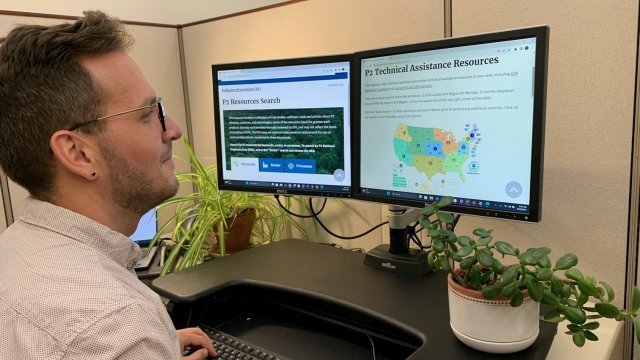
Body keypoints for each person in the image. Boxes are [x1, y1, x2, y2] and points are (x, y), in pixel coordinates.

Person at [0, 10, 216, 359]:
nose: (173, 129)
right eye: (149, 114)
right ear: (78, 153)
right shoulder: (117, 326)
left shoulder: (13, 250)